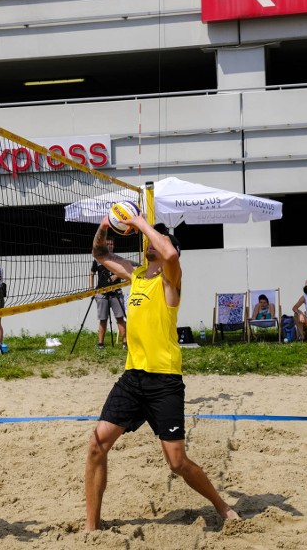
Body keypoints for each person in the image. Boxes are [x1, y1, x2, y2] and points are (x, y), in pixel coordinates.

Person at [84, 215, 239, 532]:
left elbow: (168, 254)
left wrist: (141, 222)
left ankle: (221, 506)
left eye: (157, 240)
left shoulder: (170, 279)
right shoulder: (137, 275)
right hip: (133, 377)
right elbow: (100, 254)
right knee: (97, 445)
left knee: (177, 462)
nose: (149, 245)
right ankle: (91, 526)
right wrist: (105, 224)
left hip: (163, 381)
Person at [89, 236, 127, 350]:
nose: (109, 246)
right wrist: (91, 289)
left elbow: (126, 272)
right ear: (104, 246)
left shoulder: (119, 259)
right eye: (107, 244)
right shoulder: (98, 259)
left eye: (111, 244)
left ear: (113, 246)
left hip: (116, 291)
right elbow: (91, 273)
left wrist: (116, 276)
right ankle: (100, 344)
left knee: (120, 318)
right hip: (102, 293)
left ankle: (125, 343)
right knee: (103, 319)